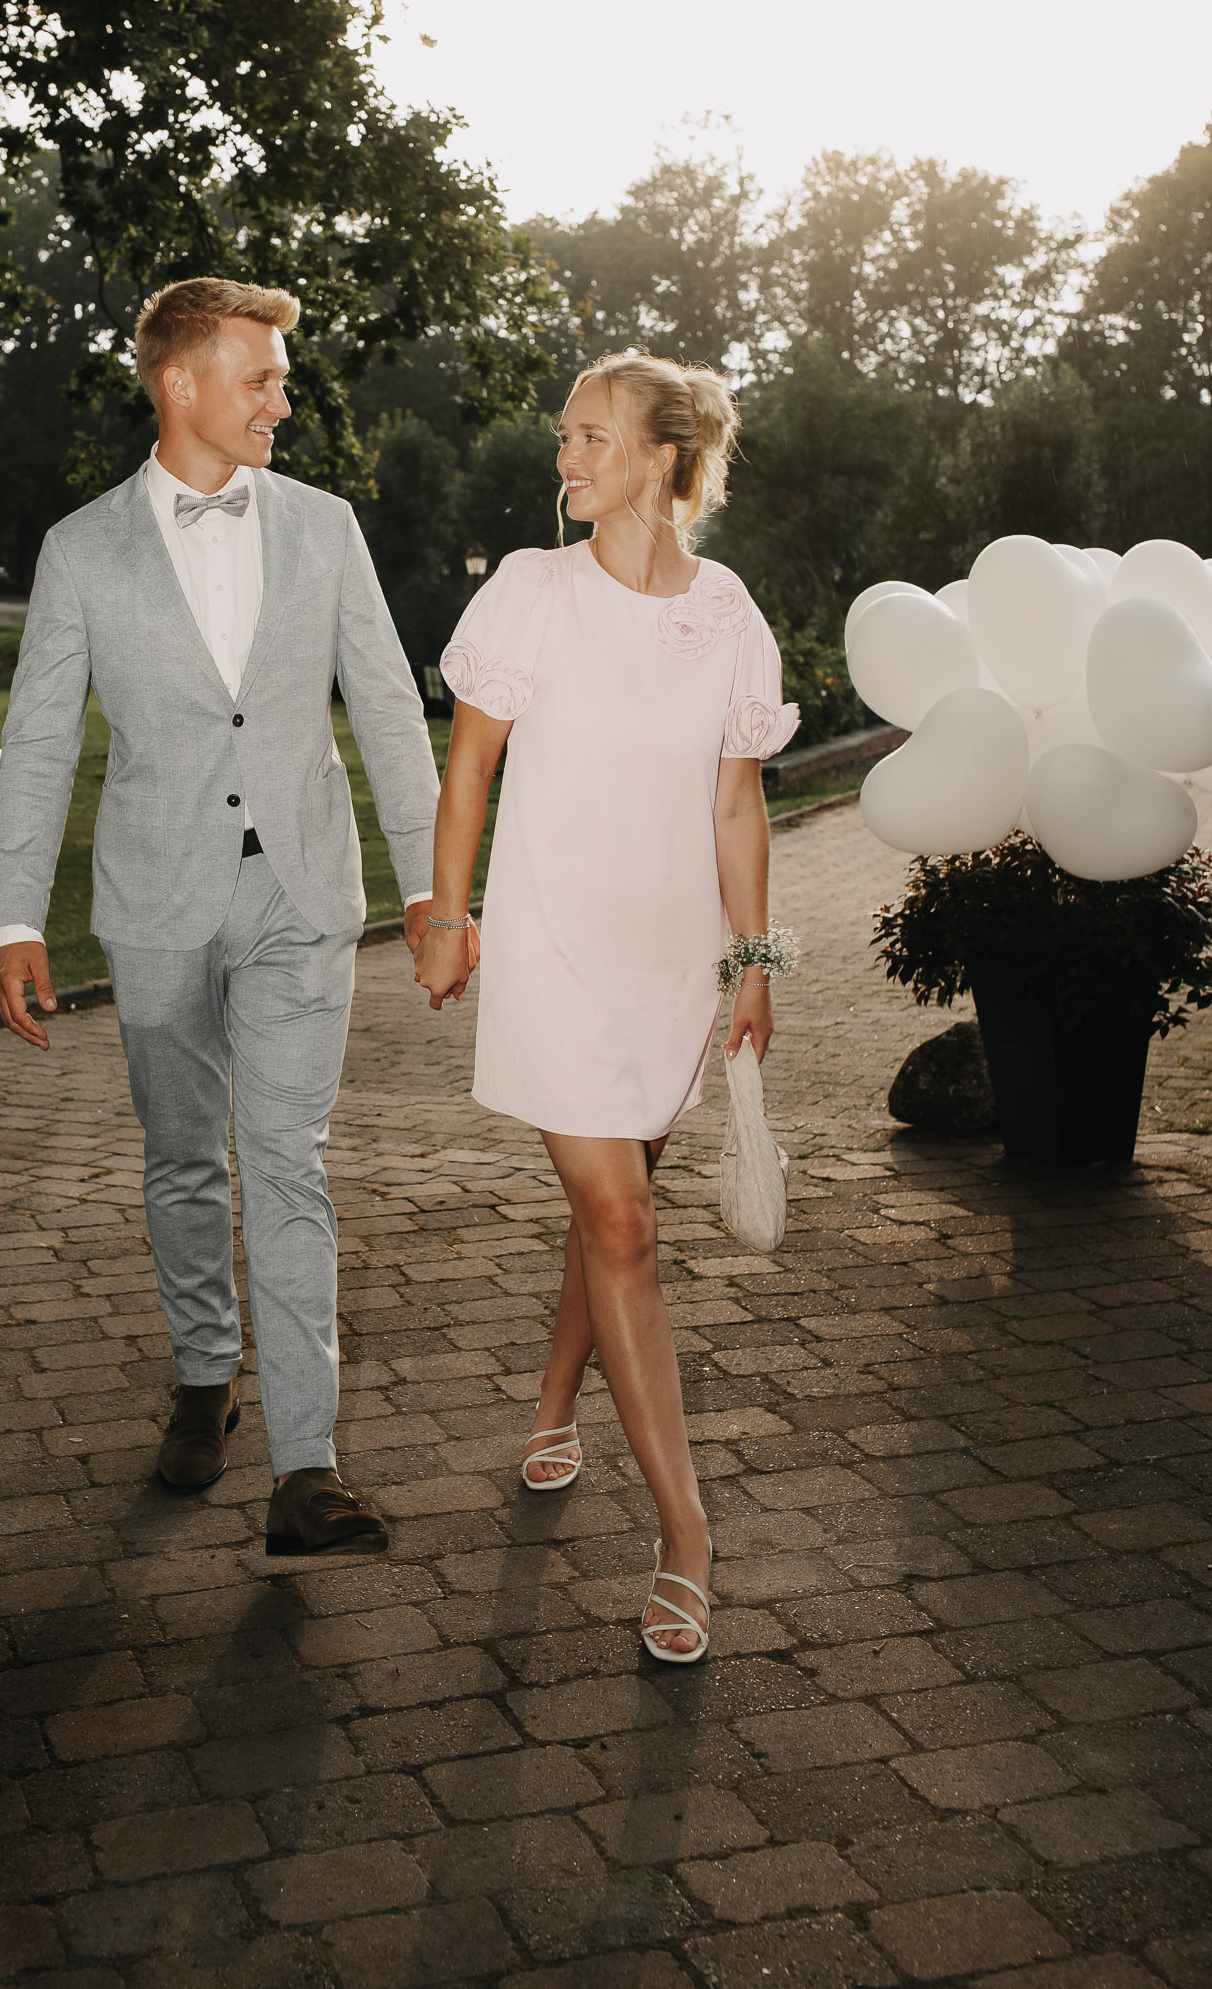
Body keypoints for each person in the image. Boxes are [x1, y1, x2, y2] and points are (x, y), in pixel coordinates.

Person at [0, 277, 440, 1556]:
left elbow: (388, 706)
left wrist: (427, 888)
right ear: (179, 382)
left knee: (288, 1162)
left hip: (301, 890)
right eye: (262, 378)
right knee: (185, 1154)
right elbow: (37, 741)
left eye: (282, 380)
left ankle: (308, 1465)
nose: (282, 403)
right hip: (156, 897)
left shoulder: (326, 526)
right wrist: (14, 917)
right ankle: (203, 1372)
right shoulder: (82, 548)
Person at [414, 351, 797, 1662]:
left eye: (591, 438)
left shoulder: (729, 612)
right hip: (554, 954)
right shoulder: (531, 591)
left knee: (614, 1202)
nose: (565, 458)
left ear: (661, 460)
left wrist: (754, 957)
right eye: (565, 437)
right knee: (625, 1222)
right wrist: (446, 916)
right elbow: (467, 772)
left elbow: (736, 802)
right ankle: (686, 1533)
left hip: (669, 964)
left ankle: (552, 1399)